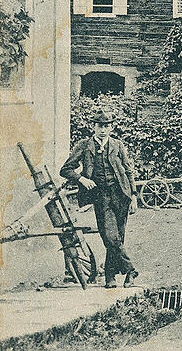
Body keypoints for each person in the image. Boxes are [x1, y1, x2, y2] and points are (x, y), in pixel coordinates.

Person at [60, 110, 139, 288]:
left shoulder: (117, 145)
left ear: (111, 127)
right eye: (100, 126)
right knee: (110, 237)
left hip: (121, 195)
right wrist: (82, 179)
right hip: (101, 196)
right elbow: (65, 169)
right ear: (93, 127)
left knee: (118, 237)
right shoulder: (84, 145)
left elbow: (128, 170)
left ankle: (110, 277)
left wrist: (133, 195)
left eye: (106, 126)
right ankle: (130, 269)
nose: (103, 130)